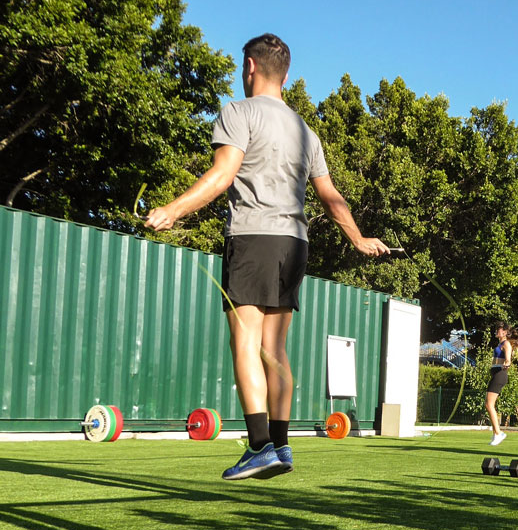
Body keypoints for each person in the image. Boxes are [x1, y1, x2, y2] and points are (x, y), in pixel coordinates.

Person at [145, 33, 389, 480]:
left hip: (253, 238)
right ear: (287, 74)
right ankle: (281, 445)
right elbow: (331, 197)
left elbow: (222, 175)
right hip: (295, 244)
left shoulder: (238, 112)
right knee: (275, 348)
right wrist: (357, 239)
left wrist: (173, 210)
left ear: (250, 67)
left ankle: (258, 446)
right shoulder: (306, 131)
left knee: (246, 342)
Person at [485, 322, 518, 445]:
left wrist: (508, 362)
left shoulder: (506, 344)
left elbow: (508, 357)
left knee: (489, 405)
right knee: (488, 405)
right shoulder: (500, 343)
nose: (496, 331)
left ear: (504, 332)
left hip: (500, 375)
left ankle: (498, 434)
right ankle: (496, 434)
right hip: (496, 374)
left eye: (498, 329)